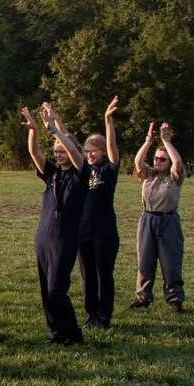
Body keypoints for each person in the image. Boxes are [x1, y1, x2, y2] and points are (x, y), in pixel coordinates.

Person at [21, 103, 85, 345]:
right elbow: (35, 154)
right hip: (44, 236)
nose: (58, 154)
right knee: (46, 292)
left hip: (64, 238)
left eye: (62, 150)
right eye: (56, 151)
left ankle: (73, 334)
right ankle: (57, 334)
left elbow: (77, 156)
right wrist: (34, 130)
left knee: (56, 289)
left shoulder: (80, 174)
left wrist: (57, 132)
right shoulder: (53, 174)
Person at [131, 122, 186, 313]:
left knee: (171, 262)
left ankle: (175, 299)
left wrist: (166, 141)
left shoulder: (174, 176)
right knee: (145, 260)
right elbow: (138, 162)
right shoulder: (149, 174)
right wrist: (149, 140)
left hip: (168, 221)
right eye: (156, 158)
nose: (158, 161)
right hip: (148, 220)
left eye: (162, 159)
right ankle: (143, 297)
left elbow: (177, 163)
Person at [77, 96, 121, 329]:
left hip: (104, 229)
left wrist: (108, 119)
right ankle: (90, 316)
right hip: (83, 229)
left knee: (103, 273)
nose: (90, 154)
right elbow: (70, 145)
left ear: (103, 152)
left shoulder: (109, 169)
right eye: (87, 151)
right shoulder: (82, 170)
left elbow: (113, 146)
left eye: (94, 151)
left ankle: (104, 317)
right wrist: (54, 123)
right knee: (87, 277)